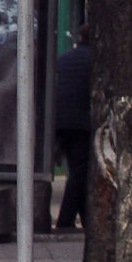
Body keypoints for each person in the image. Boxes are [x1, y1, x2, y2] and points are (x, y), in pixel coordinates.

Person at [52, 28, 92, 231]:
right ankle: (66, 220)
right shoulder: (96, 61)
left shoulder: (64, 59)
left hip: (59, 121)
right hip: (82, 124)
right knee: (79, 172)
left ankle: (85, 218)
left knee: (79, 171)